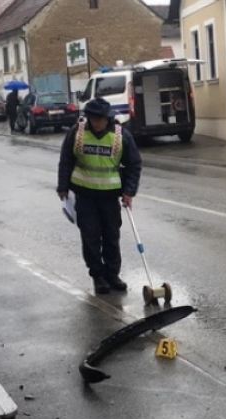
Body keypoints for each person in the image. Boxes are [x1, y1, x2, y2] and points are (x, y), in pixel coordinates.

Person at [57, 98, 142, 294]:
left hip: (110, 197)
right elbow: (66, 160)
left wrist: (129, 191)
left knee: (111, 236)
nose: (96, 123)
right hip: (84, 195)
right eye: (92, 119)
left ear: (107, 118)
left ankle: (112, 274)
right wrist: (63, 187)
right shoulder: (77, 133)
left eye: (100, 119)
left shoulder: (121, 135)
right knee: (91, 237)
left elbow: (134, 164)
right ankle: (98, 276)